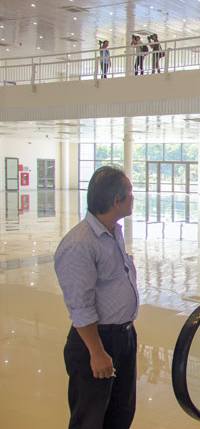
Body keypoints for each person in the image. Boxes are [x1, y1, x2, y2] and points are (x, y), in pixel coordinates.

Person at [54, 165, 139, 429]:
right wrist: (97, 352)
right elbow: (80, 306)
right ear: (116, 200)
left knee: (120, 414)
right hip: (97, 341)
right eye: (130, 193)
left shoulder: (113, 232)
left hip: (122, 337)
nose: (134, 198)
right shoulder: (81, 243)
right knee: (90, 420)